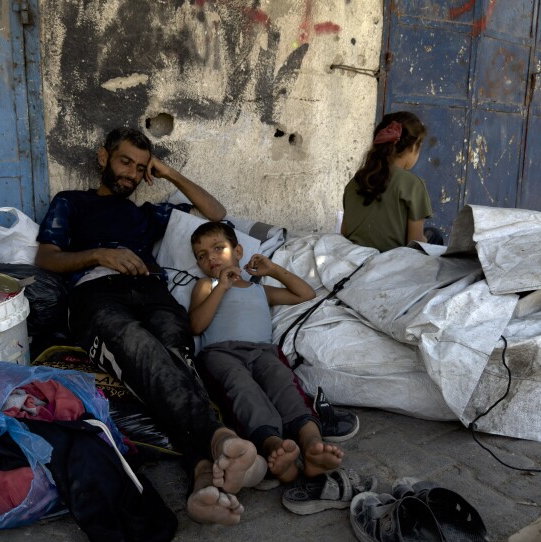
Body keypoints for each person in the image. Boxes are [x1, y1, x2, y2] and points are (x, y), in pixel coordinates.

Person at [34, 127, 259, 526]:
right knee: (137, 345)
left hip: (153, 293)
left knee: (176, 351)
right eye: (125, 162)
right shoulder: (71, 203)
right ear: (103, 158)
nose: (132, 174)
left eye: (141, 168)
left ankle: (203, 474)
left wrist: (169, 174)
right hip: (96, 293)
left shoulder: (145, 214)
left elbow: (216, 214)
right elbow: (47, 258)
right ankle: (216, 436)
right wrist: (99, 254)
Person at [188, 221, 343, 485]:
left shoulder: (260, 290)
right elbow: (196, 324)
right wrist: (222, 287)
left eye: (218, 248)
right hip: (221, 354)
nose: (211, 258)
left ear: (238, 251)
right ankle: (273, 446)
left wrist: (273, 269)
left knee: (284, 385)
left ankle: (311, 443)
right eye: (202, 256)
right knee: (242, 390)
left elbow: (304, 294)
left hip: (263, 352)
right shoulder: (206, 286)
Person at [341, 111, 441, 252]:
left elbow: (344, 235)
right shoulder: (412, 184)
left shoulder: (354, 182)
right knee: (434, 236)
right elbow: (415, 245)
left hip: (356, 259)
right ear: (413, 147)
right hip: (391, 263)